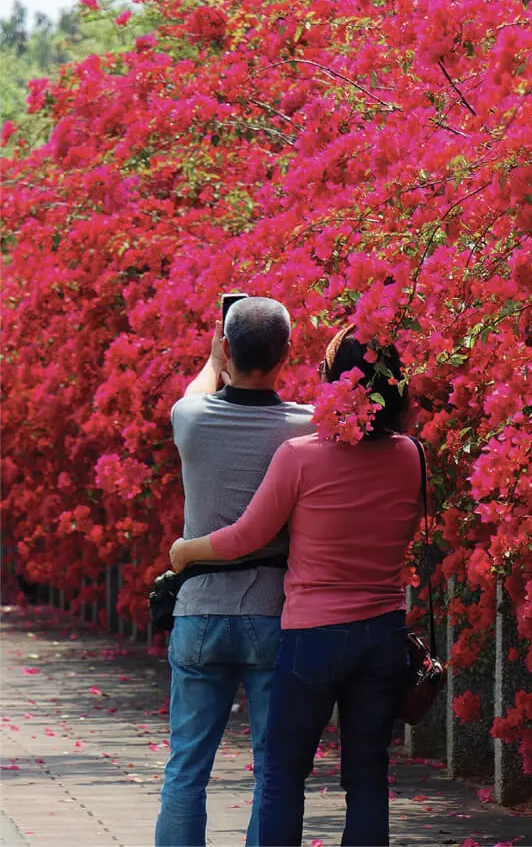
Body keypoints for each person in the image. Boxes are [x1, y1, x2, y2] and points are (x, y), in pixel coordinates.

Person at [170, 326, 423, 847]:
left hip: (314, 638)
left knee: (284, 774)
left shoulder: (302, 455)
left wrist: (186, 550)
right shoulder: (411, 456)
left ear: (332, 384)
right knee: (368, 775)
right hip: (383, 635)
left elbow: (249, 535)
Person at [155, 297, 314, 847]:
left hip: (199, 611)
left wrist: (213, 355)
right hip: (273, 612)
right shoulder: (305, 427)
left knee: (186, 769)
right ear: (286, 354)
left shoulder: (192, 419)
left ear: (226, 348)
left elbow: (195, 394)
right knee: (273, 768)